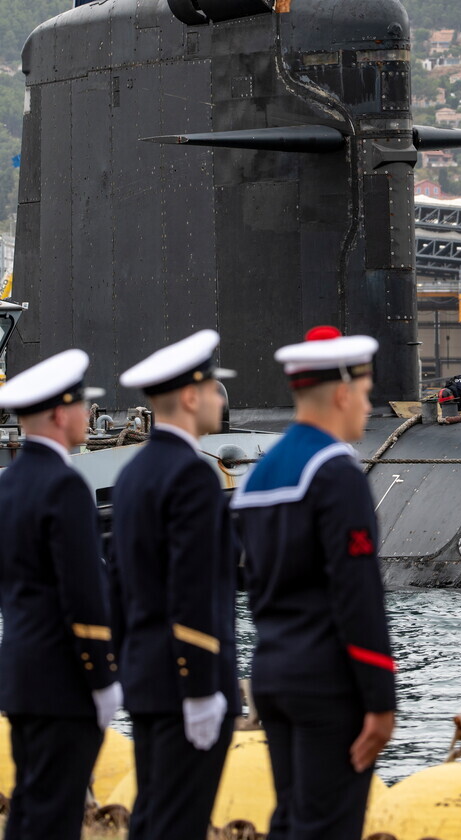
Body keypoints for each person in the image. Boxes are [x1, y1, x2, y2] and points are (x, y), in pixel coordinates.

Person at [232, 325, 396, 840]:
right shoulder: (336, 472)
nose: (368, 407)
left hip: (273, 675)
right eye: (365, 394)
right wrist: (381, 699)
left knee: (292, 821)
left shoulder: (258, 477)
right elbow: (358, 593)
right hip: (329, 683)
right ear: (342, 394)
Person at [109, 331, 240, 840]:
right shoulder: (193, 477)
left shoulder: (132, 474)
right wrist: (201, 690)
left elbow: (118, 586)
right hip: (188, 685)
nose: (219, 400)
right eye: (211, 389)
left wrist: (126, 670)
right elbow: (194, 591)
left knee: (153, 817)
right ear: (190, 397)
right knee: (180, 823)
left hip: (146, 681)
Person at [0, 350, 121, 840]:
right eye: (80, 404)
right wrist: (104, 679)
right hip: (64, 682)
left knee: (30, 808)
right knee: (57, 815)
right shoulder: (66, 486)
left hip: (20, 678)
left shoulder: (8, 485)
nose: (88, 413)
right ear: (57, 414)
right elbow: (83, 594)